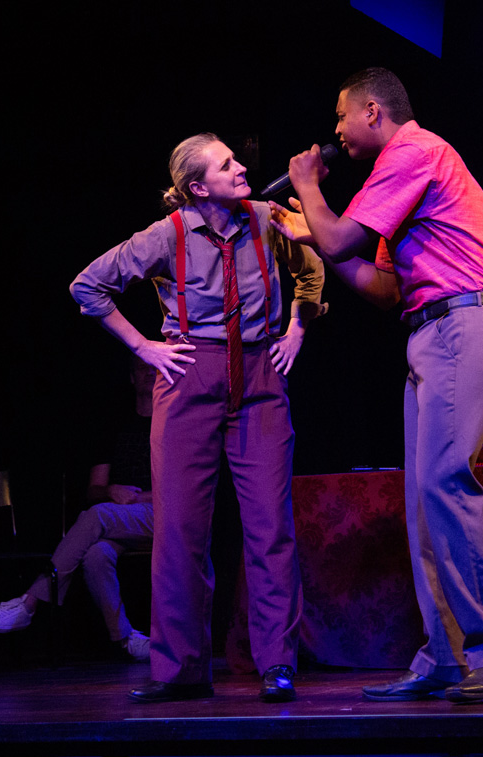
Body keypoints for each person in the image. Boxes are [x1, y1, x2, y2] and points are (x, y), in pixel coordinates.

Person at [269, 67, 483, 703]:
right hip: (431, 334)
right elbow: (385, 288)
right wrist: (316, 237)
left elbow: (340, 237)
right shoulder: (401, 181)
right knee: (423, 501)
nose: (335, 130)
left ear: (372, 111)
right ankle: (446, 657)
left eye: (341, 116)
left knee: (445, 484)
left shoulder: (413, 150)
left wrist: (308, 190)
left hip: (461, 326)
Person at [70, 133, 324, 703]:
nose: (240, 169)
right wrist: (144, 347)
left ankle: (277, 664)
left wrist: (296, 330)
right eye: (226, 164)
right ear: (197, 187)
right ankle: (180, 668)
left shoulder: (267, 218)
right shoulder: (168, 234)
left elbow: (312, 271)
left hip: (259, 376)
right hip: (190, 377)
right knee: (179, 529)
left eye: (236, 159)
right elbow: (88, 286)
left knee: (270, 527)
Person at [0, 357, 157, 662]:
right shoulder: (116, 427)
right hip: (120, 518)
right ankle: (126, 638)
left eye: (154, 369)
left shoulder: (172, 423)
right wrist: (111, 491)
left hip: (161, 513)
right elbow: (94, 489)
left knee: (98, 515)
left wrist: (135, 498)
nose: (148, 374)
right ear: (131, 377)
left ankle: (30, 602)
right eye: (142, 368)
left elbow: (180, 487)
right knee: (95, 555)